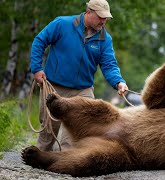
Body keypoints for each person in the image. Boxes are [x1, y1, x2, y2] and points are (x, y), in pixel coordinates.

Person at [30, 0, 128, 151]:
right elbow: (39, 41)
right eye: (100, 17)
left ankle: (67, 162)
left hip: (83, 90)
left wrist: (119, 82)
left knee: (77, 129)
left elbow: (109, 65)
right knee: (48, 131)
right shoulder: (62, 24)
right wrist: (37, 69)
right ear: (88, 12)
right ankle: (39, 158)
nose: (103, 21)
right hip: (54, 86)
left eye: (106, 18)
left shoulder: (105, 39)